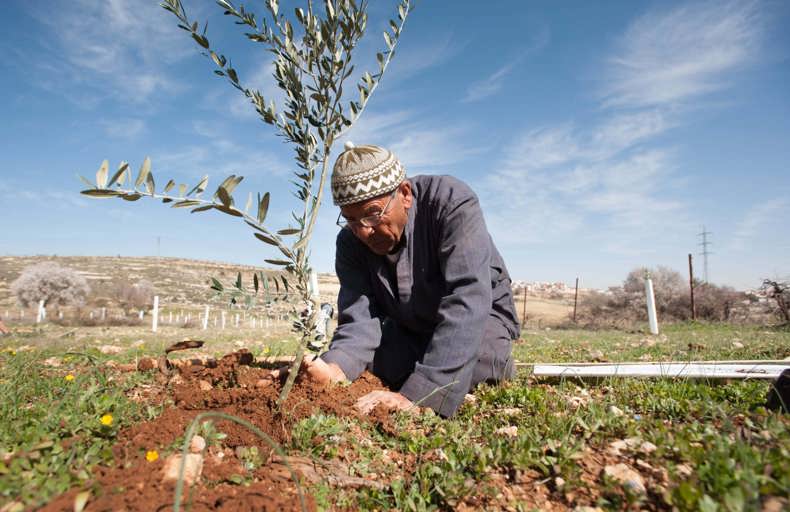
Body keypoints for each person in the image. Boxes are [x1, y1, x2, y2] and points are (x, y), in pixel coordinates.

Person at [304, 142, 520, 418]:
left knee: (484, 356)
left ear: (404, 194)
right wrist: (333, 368)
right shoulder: (349, 242)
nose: (363, 232)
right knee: (378, 363)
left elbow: (468, 297)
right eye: (351, 220)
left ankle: (460, 370)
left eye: (372, 213)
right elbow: (360, 322)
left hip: (481, 317)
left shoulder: (452, 204)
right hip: (412, 327)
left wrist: (419, 397)